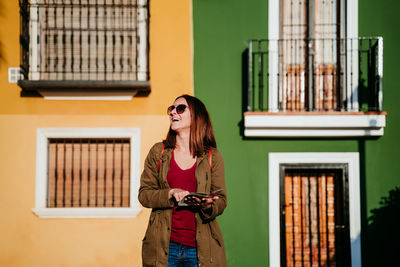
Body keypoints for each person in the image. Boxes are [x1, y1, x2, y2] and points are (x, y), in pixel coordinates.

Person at [139, 94, 227, 267]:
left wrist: (208, 205)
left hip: (200, 249)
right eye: (171, 109)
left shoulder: (212, 157)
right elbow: (144, 195)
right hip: (163, 247)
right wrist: (170, 193)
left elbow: (222, 200)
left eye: (180, 108)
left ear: (196, 117)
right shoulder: (159, 152)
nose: (173, 113)